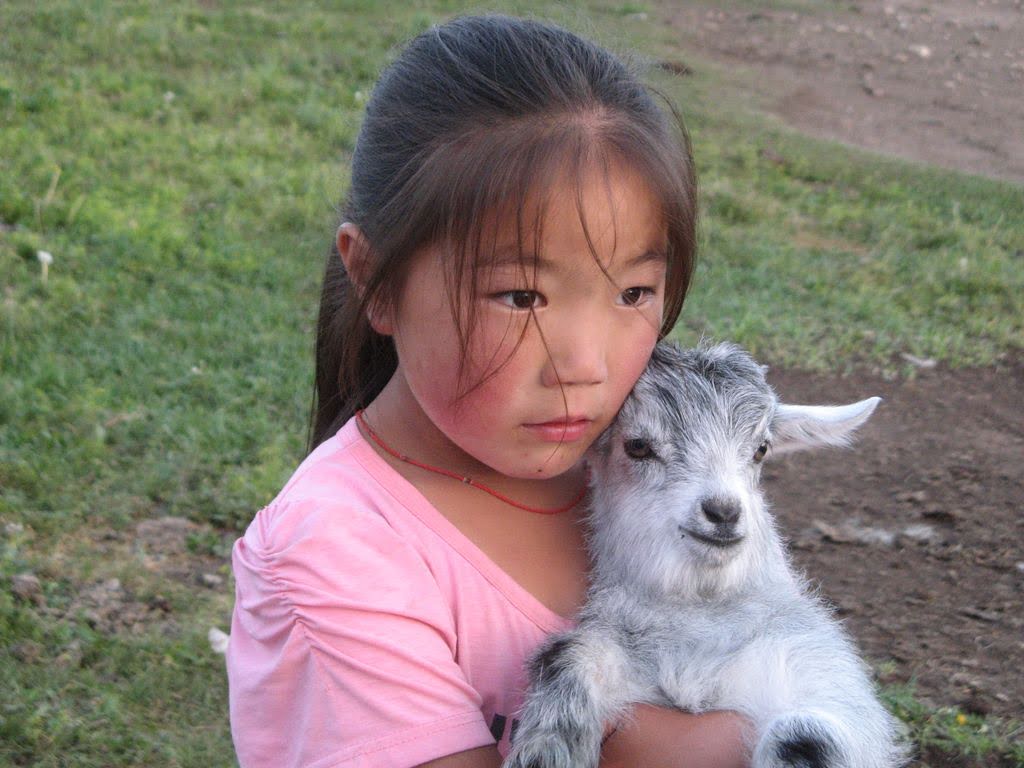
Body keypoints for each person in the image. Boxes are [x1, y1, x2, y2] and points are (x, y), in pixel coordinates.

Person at [227, 14, 752, 768]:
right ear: (376, 280)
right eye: (521, 298)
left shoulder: (658, 468)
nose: (586, 363)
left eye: (634, 291)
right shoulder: (338, 557)